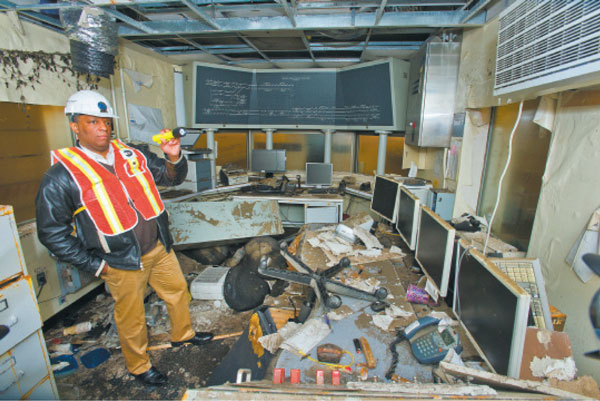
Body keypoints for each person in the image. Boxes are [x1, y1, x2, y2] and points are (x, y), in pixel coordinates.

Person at [35, 90, 213, 386]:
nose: (103, 127)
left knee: (178, 292)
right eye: (92, 121)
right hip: (120, 261)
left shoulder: (131, 153)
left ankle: (183, 336)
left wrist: (173, 157)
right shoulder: (61, 176)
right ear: (75, 126)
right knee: (131, 317)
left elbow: (171, 177)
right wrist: (96, 265)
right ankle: (139, 366)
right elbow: (51, 233)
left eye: (106, 121)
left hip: (157, 247)